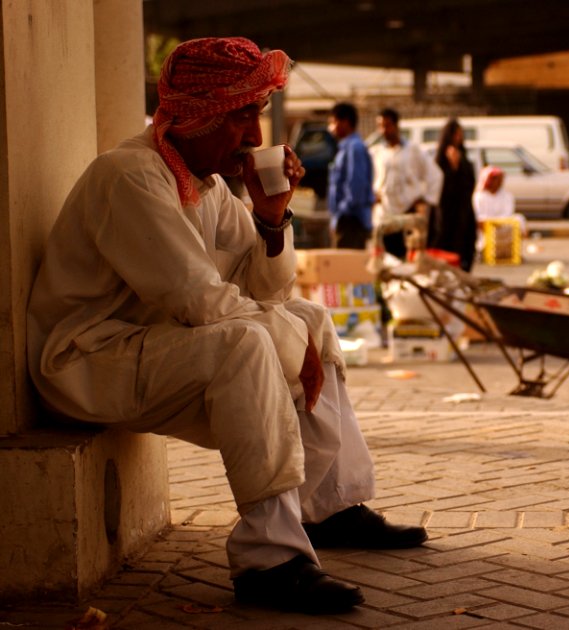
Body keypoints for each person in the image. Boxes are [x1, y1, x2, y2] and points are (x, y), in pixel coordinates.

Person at [25, 38, 426, 615]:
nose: (257, 137)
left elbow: (269, 291)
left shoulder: (209, 185)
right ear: (198, 116)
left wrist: (270, 217)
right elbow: (199, 302)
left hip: (149, 347)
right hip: (86, 361)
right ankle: (270, 562)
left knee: (310, 318)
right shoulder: (132, 176)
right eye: (243, 115)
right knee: (246, 343)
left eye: (256, 114)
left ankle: (330, 506)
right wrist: (291, 347)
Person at [369, 107, 442, 261]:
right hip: (386, 214)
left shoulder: (413, 150)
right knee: (386, 259)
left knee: (408, 258)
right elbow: (373, 179)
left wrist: (425, 200)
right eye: (380, 126)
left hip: (408, 213)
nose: (383, 130)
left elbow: (435, 175)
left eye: (387, 125)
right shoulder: (377, 153)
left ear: (396, 126)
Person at [327, 101, 374, 249]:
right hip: (346, 220)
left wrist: (342, 213)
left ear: (345, 122)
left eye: (334, 122)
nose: (331, 128)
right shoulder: (345, 148)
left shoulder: (355, 148)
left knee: (347, 268)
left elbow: (356, 187)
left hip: (351, 222)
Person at [432, 118, 477, 272]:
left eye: (460, 135)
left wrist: (458, 167)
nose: (458, 138)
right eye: (455, 135)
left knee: (464, 248)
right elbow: (439, 187)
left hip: (463, 212)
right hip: (446, 214)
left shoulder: (464, 158)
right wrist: (452, 169)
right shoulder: (440, 160)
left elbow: (469, 183)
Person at [472, 165, 525, 254]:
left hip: (503, 228)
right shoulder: (479, 197)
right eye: (495, 179)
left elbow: (508, 215)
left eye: (500, 179)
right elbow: (479, 217)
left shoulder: (507, 196)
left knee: (519, 219)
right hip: (486, 230)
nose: (498, 182)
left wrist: (496, 222)